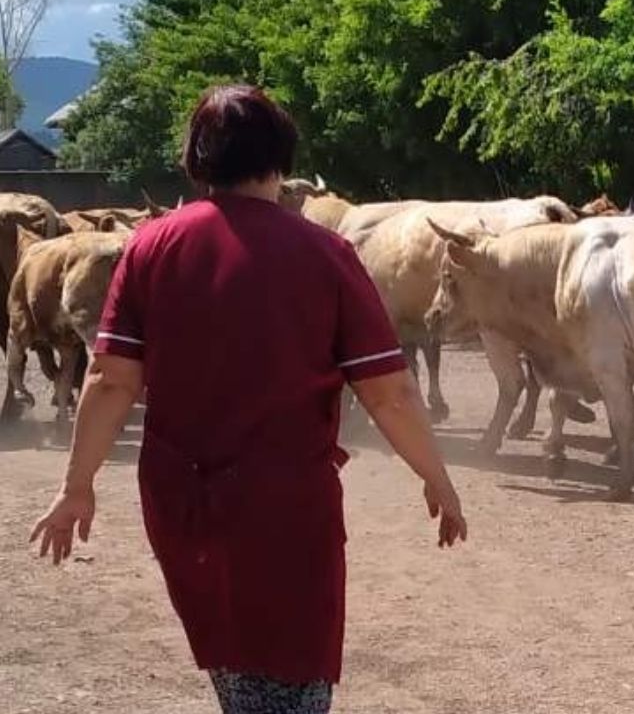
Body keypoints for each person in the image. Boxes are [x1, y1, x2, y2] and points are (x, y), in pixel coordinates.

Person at [28, 83, 467, 714]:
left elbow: (109, 380)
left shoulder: (150, 249)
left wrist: (77, 486)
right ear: (280, 155)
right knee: (287, 682)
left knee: (237, 667)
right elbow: (390, 392)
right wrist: (437, 477)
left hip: (182, 502)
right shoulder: (326, 254)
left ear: (197, 158)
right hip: (285, 510)